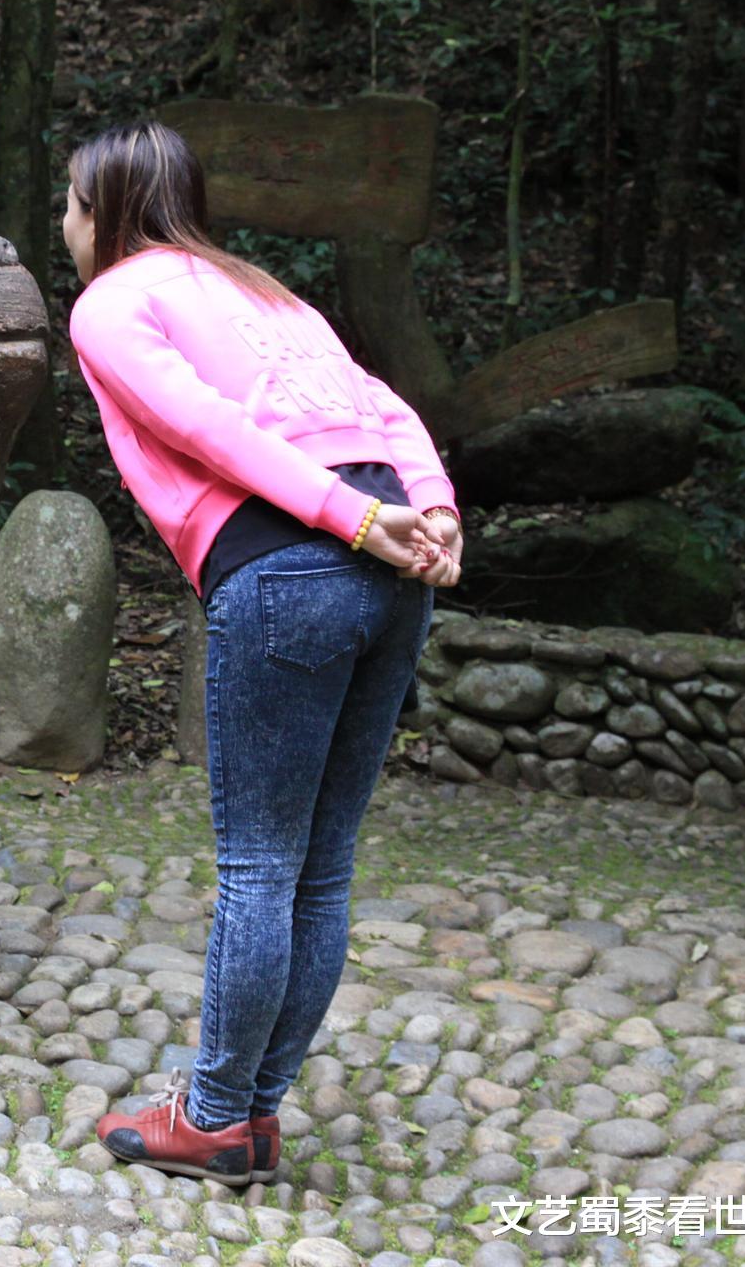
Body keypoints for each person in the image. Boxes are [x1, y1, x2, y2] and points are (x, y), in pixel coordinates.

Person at [59, 120, 464, 1185]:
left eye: (70, 202)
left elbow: (204, 427)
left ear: (107, 209)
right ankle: (252, 1112)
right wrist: (427, 508)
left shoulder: (112, 302)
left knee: (260, 866)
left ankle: (215, 1114)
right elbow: (384, 408)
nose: (64, 223)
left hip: (297, 562)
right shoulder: (266, 293)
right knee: (320, 866)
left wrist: (350, 516)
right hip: (388, 570)